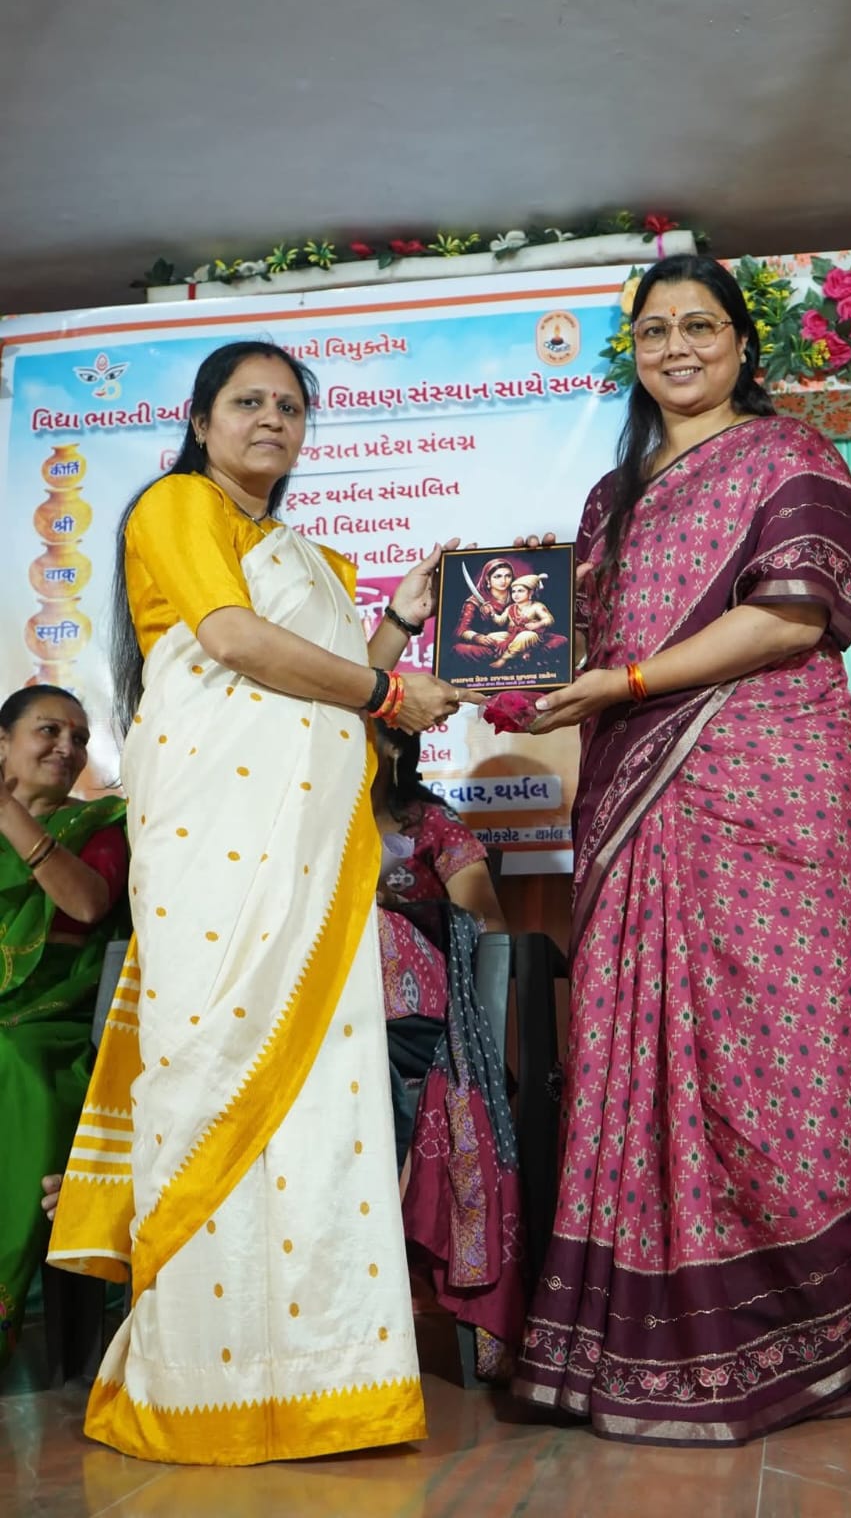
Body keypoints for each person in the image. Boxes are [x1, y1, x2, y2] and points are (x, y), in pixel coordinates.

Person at [46, 341, 470, 1465]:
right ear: (201, 420)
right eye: (248, 401)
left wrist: (397, 623)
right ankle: (198, 1383)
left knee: (321, 1102)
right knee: (210, 1068)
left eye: (289, 405)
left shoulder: (310, 557)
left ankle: (328, 1384)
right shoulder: (178, 507)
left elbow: (328, 690)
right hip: (214, 854)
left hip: (309, 867)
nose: (271, 419)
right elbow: (233, 641)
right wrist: (387, 683)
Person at [511, 254, 851, 1443]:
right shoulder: (606, 500)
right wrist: (504, 644)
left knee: (771, 1053)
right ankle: (632, 1350)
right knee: (636, 1051)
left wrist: (622, 681)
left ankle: (788, 1338)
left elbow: (787, 617)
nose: (676, 348)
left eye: (699, 326)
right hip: (636, 797)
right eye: (654, 330)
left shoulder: (791, 458)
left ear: (740, 342)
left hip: (767, 783)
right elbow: (575, 643)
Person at [373, 725, 525, 1379]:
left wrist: (393, 903)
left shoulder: (429, 824)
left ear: (392, 746)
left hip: (416, 1015)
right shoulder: (305, 815)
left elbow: (485, 920)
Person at [0, 685, 127, 1369]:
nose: (67, 747)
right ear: (3, 744)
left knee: (11, 1055)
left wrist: (8, 814)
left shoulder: (102, 823)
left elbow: (87, 901)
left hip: (57, 1025)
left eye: (78, 737)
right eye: (48, 731)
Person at [487, 575, 565, 669]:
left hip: (532, 636)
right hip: (513, 635)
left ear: (530, 592)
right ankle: (521, 653)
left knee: (524, 636)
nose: (516, 594)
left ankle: (504, 659)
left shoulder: (536, 606)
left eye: (520, 591)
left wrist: (537, 624)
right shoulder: (510, 608)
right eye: (514, 591)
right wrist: (492, 613)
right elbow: (500, 621)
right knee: (491, 637)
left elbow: (549, 620)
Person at [452, 556, 518, 662]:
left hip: (515, 640)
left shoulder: (518, 596)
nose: (503, 581)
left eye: (508, 576)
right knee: (459, 649)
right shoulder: (474, 602)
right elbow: (462, 630)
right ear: (488, 579)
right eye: (497, 576)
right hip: (488, 645)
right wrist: (478, 637)